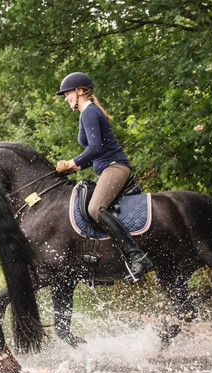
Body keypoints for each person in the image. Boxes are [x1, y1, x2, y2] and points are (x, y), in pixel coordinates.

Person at [55, 71, 153, 281]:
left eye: (68, 93)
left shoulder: (88, 112)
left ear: (80, 91)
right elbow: (96, 152)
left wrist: (72, 162)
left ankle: (137, 257)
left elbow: (96, 147)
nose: (66, 98)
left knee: (94, 208)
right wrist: (76, 168)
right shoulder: (87, 112)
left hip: (115, 167)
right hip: (108, 166)